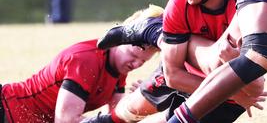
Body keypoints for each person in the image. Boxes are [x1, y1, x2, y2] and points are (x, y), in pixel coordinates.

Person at [89, 0, 267, 123]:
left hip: (219, 82)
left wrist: (229, 92)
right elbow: (173, 76)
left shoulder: (243, 8)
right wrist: (229, 93)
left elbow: (255, 84)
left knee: (223, 64)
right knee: (125, 114)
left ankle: (151, 29)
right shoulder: (179, 4)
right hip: (184, 70)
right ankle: (151, 30)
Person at [0, 9, 159, 123]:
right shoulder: (87, 60)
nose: (136, 64)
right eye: (134, 56)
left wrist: (139, 99)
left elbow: (117, 117)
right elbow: (65, 121)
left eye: (143, 61)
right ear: (122, 38)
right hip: (5, 110)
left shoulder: (118, 68)